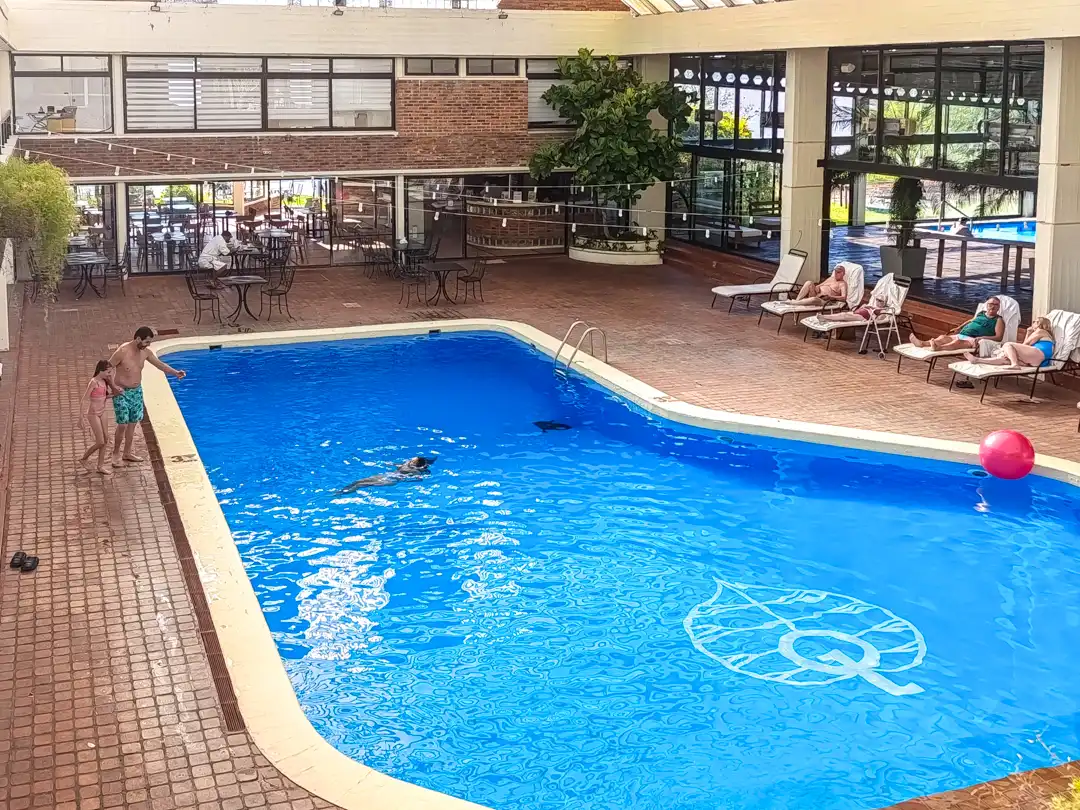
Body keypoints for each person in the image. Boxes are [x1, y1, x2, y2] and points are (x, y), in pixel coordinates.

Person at [108, 327, 186, 467]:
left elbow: (160, 365)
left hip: (136, 392)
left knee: (132, 423)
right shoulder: (122, 351)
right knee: (122, 424)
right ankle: (115, 454)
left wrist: (175, 373)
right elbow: (106, 370)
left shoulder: (145, 352)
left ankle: (127, 453)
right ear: (138, 338)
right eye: (146, 342)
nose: (148, 345)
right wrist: (113, 388)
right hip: (121, 392)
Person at [909, 296, 1004, 352]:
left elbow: (999, 337)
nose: (993, 307)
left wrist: (982, 338)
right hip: (962, 334)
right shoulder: (981, 313)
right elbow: (970, 321)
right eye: (991, 304)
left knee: (957, 343)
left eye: (996, 305)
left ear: (998, 307)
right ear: (987, 305)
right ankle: (922, 343)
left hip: (973, 340)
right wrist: (958, 328)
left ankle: (938, 348)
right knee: (943, 337)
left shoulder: (998, 320)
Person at [78, 360, 121, 475]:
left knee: (105, 439)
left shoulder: (104, 381)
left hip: (103, 412)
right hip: (93, 414)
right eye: (108, 372)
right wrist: (81, 417)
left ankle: (100, 466)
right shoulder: (93, 382)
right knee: (100, 441)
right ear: (101, 371)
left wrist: (115, 393)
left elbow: (104, 397)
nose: (109, 374)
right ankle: (84, 458)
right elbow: (84, 399)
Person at [964, 316, 1055, 369]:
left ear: (1039, 323)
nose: (1033, 323)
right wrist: (1028, 332)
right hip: (1038, 359)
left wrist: (1028, 333)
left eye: (1034, 321)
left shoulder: (1041, 331)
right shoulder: (1041, 333)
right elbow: (1025, 346)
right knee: (1005, 359)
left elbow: (1025, 344)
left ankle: (1015, 364)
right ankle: (977, 360)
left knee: (1008, 344)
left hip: (1040, 354)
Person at [339, 456, 436, 493]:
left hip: (391, 480)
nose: (410, 460)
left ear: (416, 463)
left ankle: (341, 494)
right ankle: (340, 491)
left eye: (412, 460)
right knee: (358, 481)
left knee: (360, 485)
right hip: (386, 475)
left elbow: (419, 478)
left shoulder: (415, 470)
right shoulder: (406, 465)